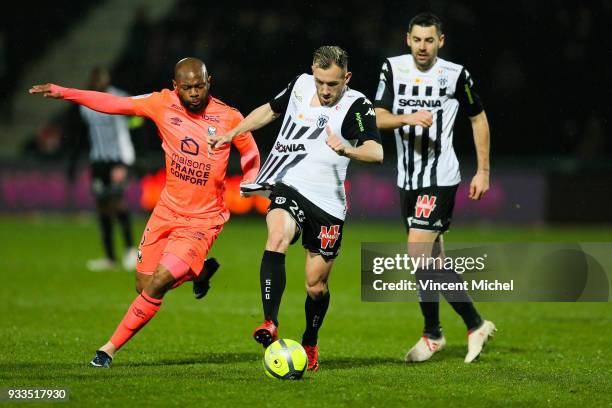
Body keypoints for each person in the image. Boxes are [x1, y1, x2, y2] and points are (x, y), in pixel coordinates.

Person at [29, 57, 260, 367]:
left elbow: (251, 152)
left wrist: (249, 179)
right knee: (143, 284)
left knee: (158, 283)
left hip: (203, 220)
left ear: (209, 83)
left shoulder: (230, 117)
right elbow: (114, 103)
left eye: (200, 86)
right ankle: (201, 271)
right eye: (188, 87)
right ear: (176, 86)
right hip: (166, 210)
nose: (194, 93)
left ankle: (107, 350)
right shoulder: (161, 103)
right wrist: (65, 92)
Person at [210, 46, 383, 371]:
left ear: (346, 78)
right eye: (320, 82)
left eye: (332, 83)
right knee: (276, 237)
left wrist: (347, 149)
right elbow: (270, 110)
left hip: (328, 204)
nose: (325, 90)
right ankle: (270, 322)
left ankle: (310, 340)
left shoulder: (358, 105)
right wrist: (234, 132)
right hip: (288, 183)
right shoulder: (301, 84)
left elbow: (376, 152)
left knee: (315, 286)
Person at [373, 12, 496, 363]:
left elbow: (478, 118)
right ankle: (439, 333)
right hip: (407, 180)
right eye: (417, 39)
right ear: (407, 39)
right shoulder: (392, 69)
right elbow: (377, 116)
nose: (423, 46)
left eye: (430, 40)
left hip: (440, 178)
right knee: (431, 261)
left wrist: (483, 170)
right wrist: (406, 118)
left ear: (440, 41)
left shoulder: (455, 75)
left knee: (417, 254)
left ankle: (466, 326)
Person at [77, 67, 138, 272]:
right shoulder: (85, 102)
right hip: (99, 160)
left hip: (118, 160)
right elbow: (86, 135)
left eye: (104, 77)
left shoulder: (118, 97)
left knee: (117, 202)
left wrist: (124, 162)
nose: (102, 81)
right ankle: (110, 258)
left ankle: (131, 250)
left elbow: (134, 121)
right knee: (102, 206)